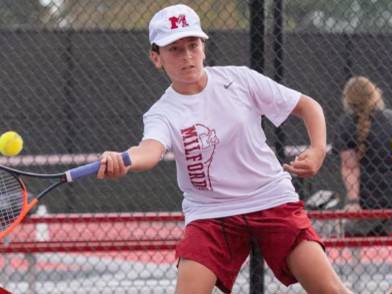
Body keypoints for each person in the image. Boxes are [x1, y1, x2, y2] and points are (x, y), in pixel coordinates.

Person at [97, 4, 351, 294]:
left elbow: (309, 107)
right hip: (210, 213)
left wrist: (318, 150)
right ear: (156, 58)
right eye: (175, 49)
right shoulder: (162, 112)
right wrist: (123, 160)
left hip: (271, 198)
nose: (187, 56)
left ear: (204, 47)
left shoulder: (240, 79)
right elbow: (149, 151)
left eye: (193, 45)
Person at [334, 76, 392, 236]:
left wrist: (353, 201)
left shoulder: (346, 124)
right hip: (388, 194)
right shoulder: (390, 119)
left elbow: (349, 167)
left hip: (366, 198)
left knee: (356, 244)